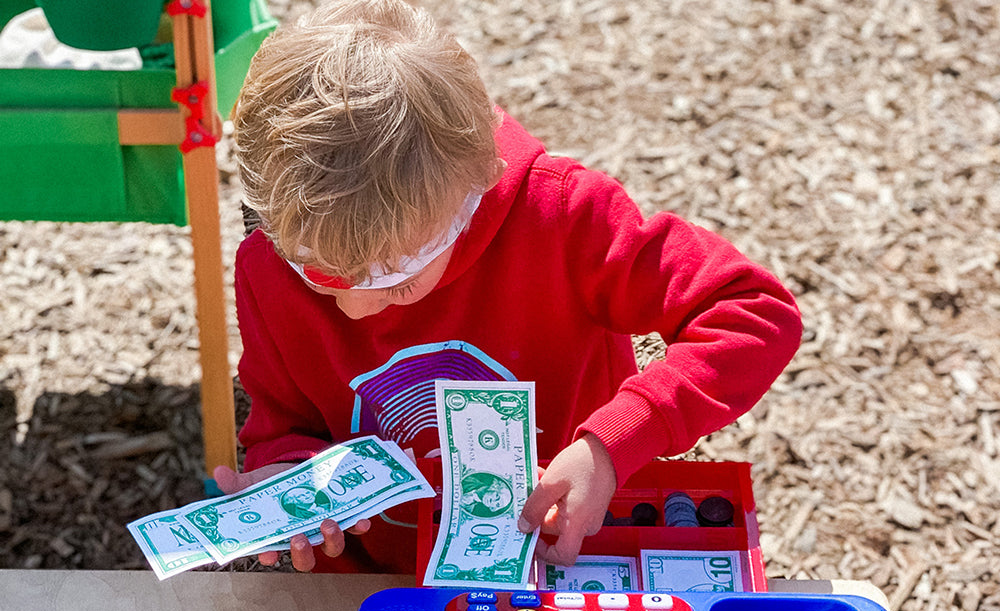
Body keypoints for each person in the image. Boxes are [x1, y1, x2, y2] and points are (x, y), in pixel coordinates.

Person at [215, 0, 802, 573]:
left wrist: (611, 445)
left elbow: (751, 310)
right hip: (376, 585)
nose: (356, 307)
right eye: (317, 275)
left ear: (469, 198)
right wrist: (287, 473)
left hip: (559, 564)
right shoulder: (267, 263)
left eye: (397, 282)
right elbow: (283, 424)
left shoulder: (559, 216)